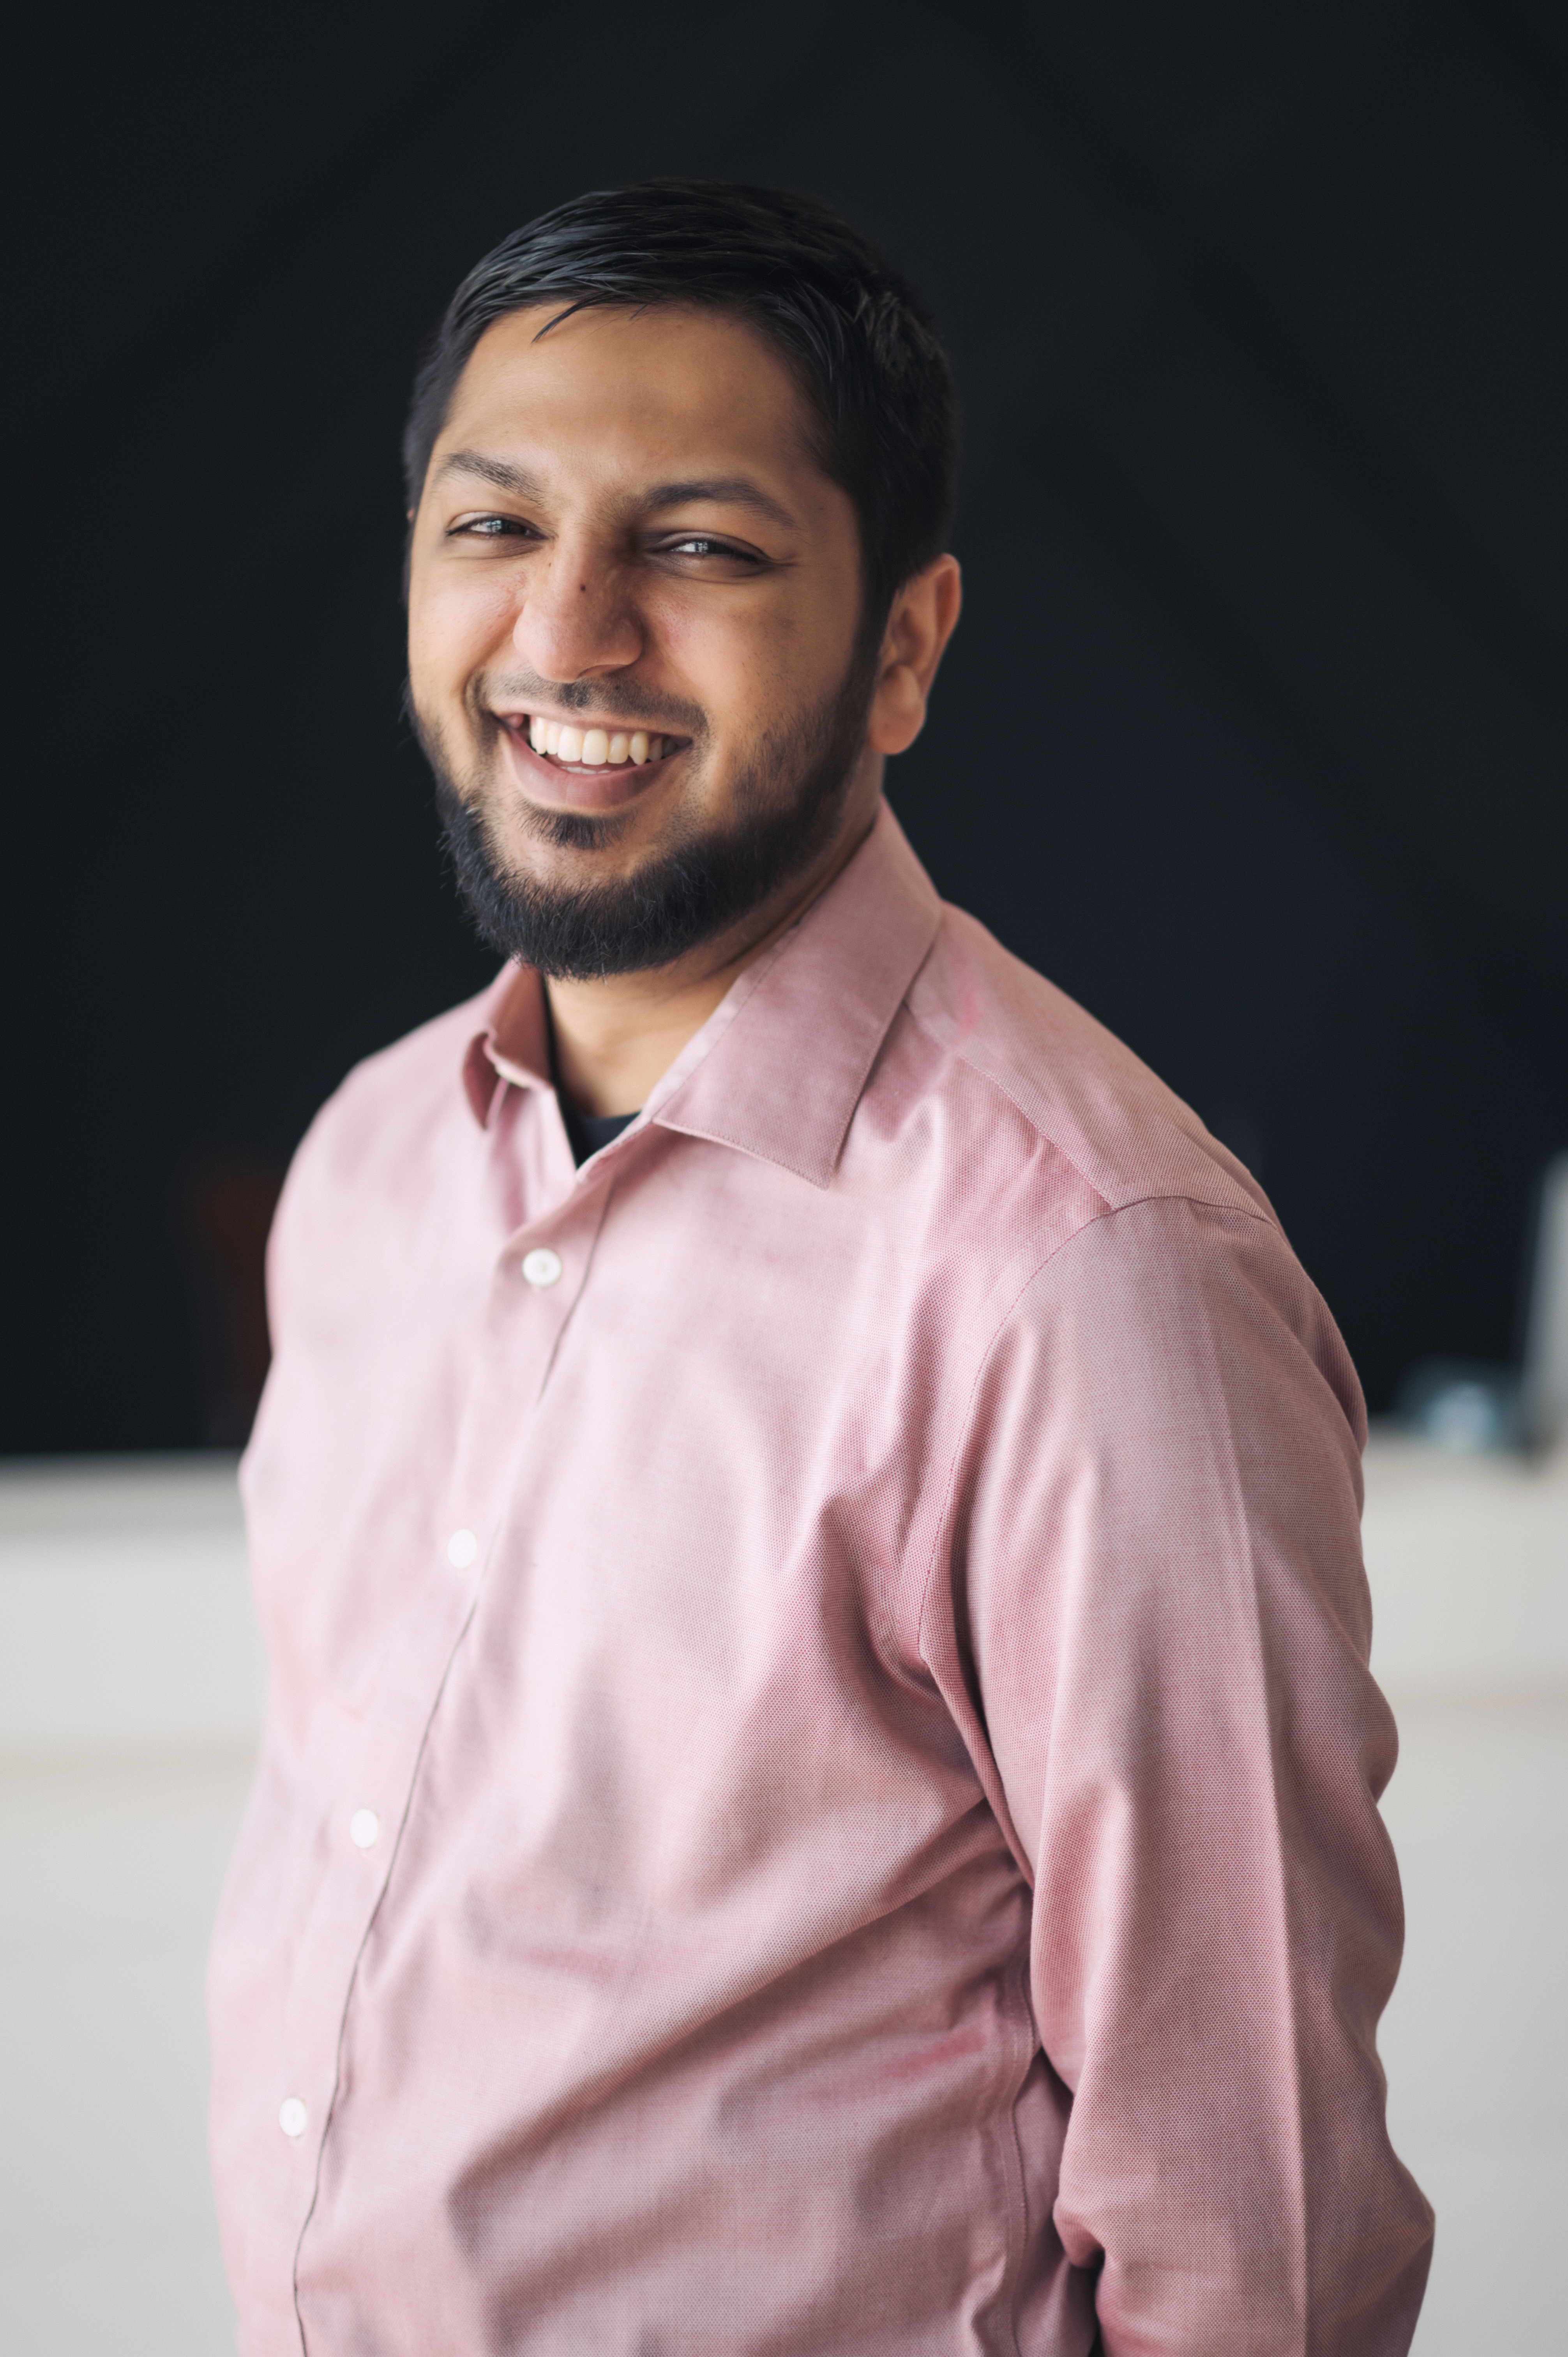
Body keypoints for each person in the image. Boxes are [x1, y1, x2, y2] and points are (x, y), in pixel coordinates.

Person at [208, 180, 1433, 2356]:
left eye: (697, 546)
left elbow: (1260, 2229)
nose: (568, 634)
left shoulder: (1083, 1271)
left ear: (904, 647)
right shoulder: (371, 1170)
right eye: (494, 528)